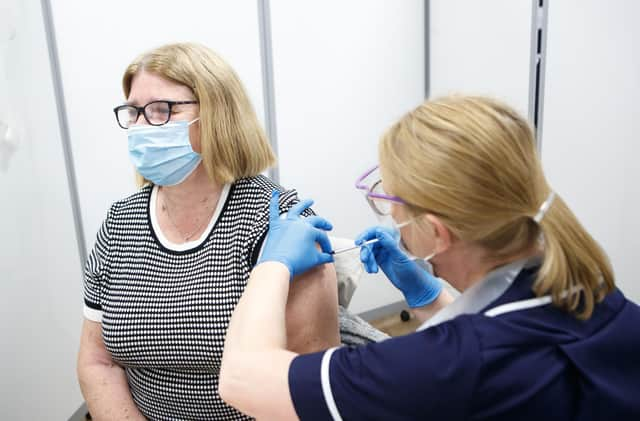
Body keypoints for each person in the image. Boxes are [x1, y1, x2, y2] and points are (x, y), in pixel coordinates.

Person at [219, 95, 640, 420]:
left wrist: (271, 265)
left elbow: (242, 378)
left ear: (437, 232)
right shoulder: (592, 294)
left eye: (390, 201)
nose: (389, 214)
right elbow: (502, 346)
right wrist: (430, 297)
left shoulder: (450, 364)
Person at [76, 43, 341, 420]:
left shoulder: (279, 224)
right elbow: (96, 360)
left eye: (161, 110)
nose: (139, 127)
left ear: (217, 114)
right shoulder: (120, 223)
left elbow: (305, 385)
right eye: (133, 112)